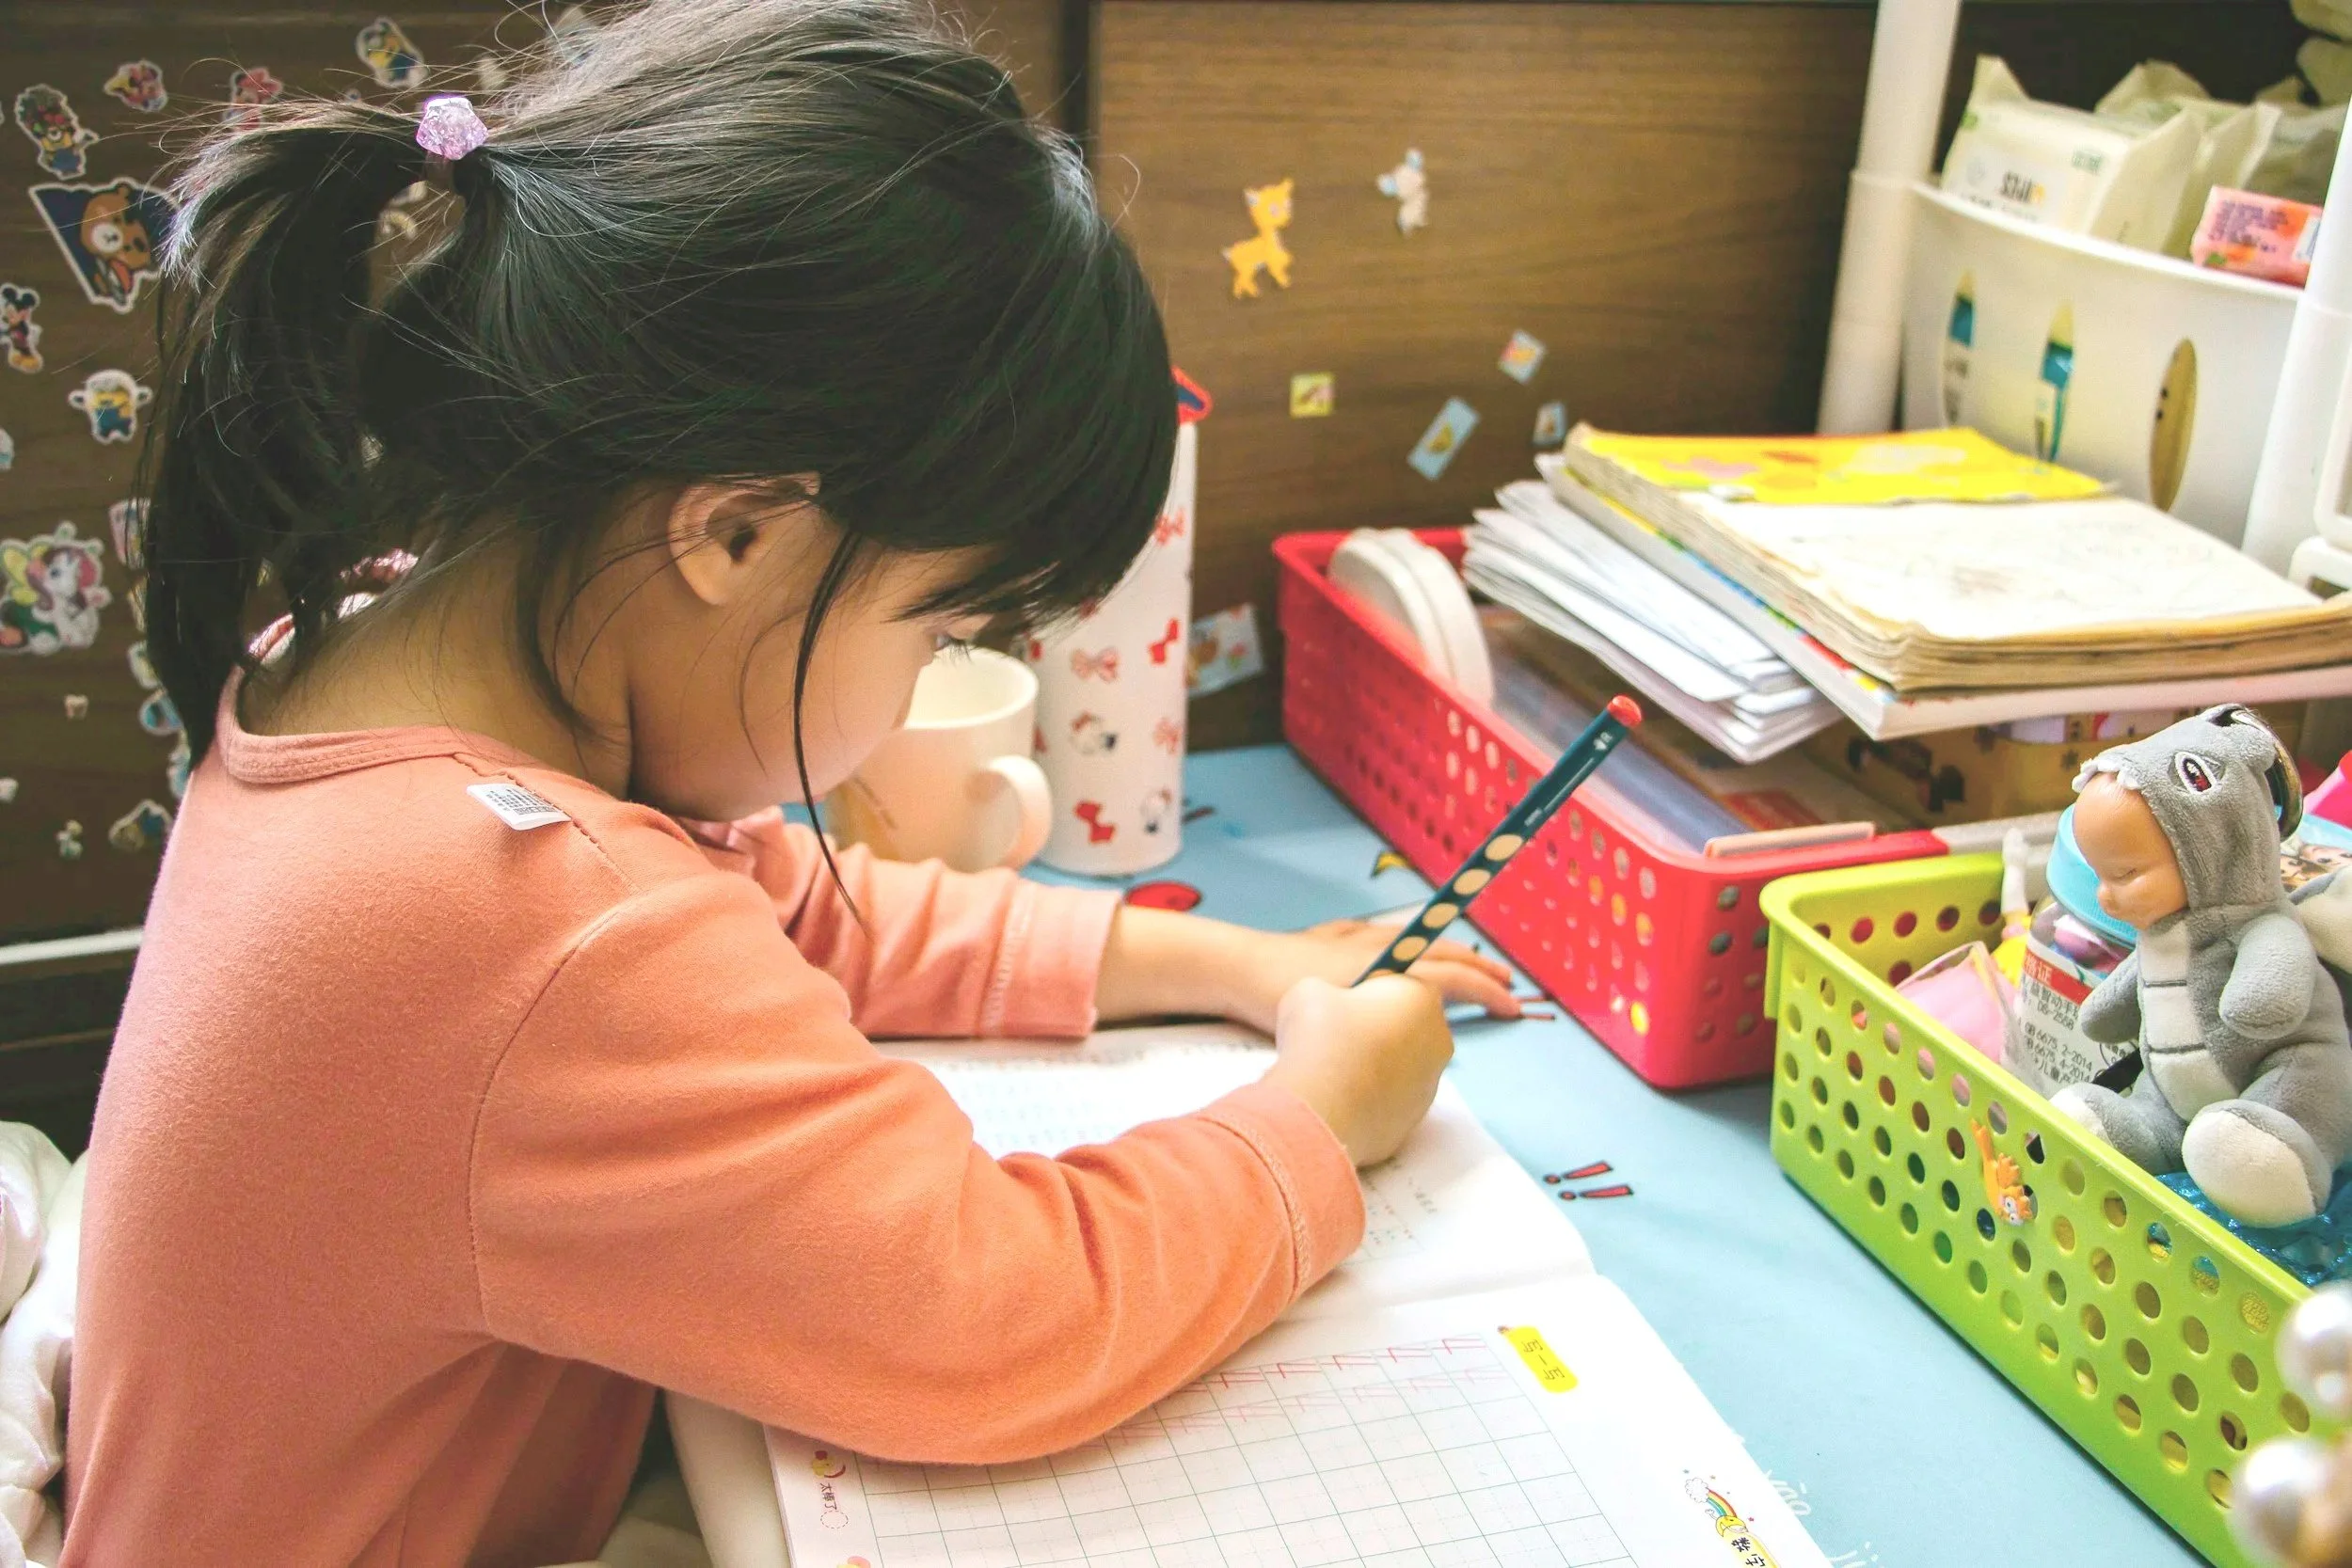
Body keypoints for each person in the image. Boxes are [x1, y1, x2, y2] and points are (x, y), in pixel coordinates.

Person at [63, 3, 1517, 1562]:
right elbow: (991, 1314)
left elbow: (766, 911)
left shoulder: (373, 645)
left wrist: (1220, 961)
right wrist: (1317, 1122)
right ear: (737, 533)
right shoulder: (529, 922)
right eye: (942, 624)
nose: (923, 688)